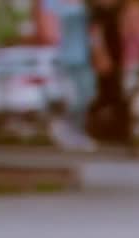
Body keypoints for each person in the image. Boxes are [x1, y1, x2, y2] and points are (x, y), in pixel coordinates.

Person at [46, 0, 98, 152]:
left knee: (88, 95)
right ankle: (66, 129)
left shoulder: (87, 5)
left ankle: (76, 132)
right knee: (74, 99)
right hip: (67, 59)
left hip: (84, 58)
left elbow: (93, 31)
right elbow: (50, 28)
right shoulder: (54, 5)